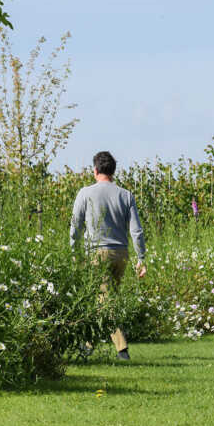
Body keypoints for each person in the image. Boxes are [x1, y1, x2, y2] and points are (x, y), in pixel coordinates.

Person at [69, 150, 147, 360]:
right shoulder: (125, 195)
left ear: (95, 170)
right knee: (103, 299)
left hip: (96, 252)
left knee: (104, 300)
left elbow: (76, 225)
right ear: (113, 171)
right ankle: (86, 346)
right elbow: (136, 230)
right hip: (121, 253)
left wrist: (75, 251)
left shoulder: (85, 193)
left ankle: (122, 350)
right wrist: (141, 258)